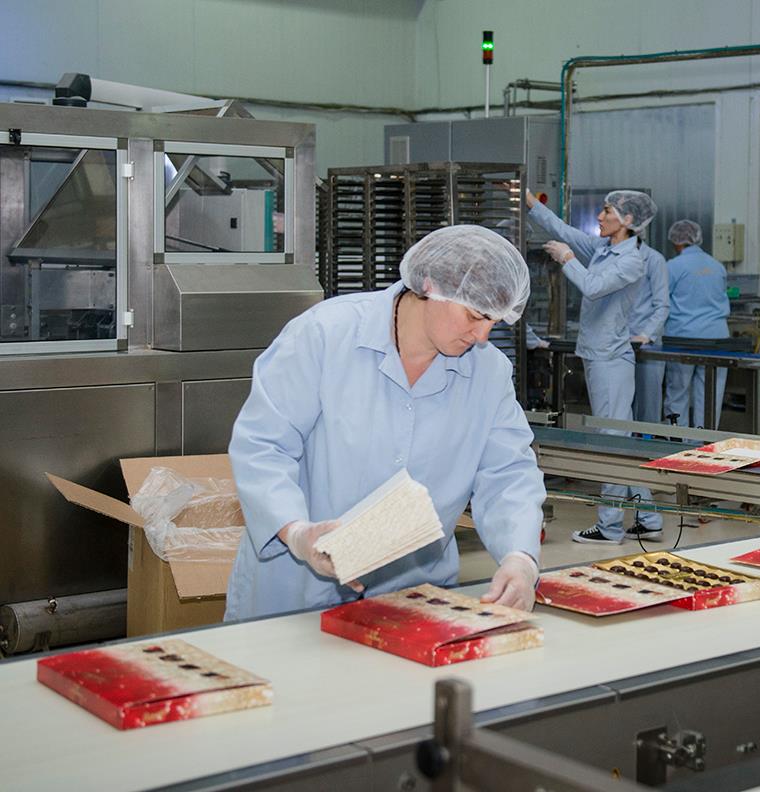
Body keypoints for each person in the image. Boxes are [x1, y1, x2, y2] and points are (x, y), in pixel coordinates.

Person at [225, 225, 545, 620]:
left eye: (494, 321)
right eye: (474, 315)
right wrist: (297, 532)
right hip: (295, 594)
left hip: (413, 597)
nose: (482, 336)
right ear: (431, 285)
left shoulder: (488, 372)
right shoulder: (325, 335)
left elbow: (508, 472)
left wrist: (519, 557)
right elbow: (263, 445)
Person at [525, 189, 664, 544]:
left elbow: (593, 286)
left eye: (606, 211)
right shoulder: (604, 248)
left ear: (628, 220)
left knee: (611, 443)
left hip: (610, 359)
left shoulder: (632, 260)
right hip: (597, 354)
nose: (599, 217)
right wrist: (529, 201)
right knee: (621, 440)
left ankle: (609, 526)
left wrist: (567, 258)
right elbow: (563, 230)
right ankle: (648, 517)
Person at [663, 219, 731, 428]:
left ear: (676, 242)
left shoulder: (673, 266)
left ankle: (677, 439)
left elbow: (660, 302)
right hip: (717, 338)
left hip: (683, 337)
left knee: (678, 392)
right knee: (711, 394)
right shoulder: (717, 266)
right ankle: (705, 439)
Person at [630, 244, 670, 425]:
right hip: (619, 342)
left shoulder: (654, 259)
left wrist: (646, 334)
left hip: (647, 342)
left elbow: (662, 306)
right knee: (622, 405)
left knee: (649, 403)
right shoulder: (611, 256)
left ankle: (647, 439)